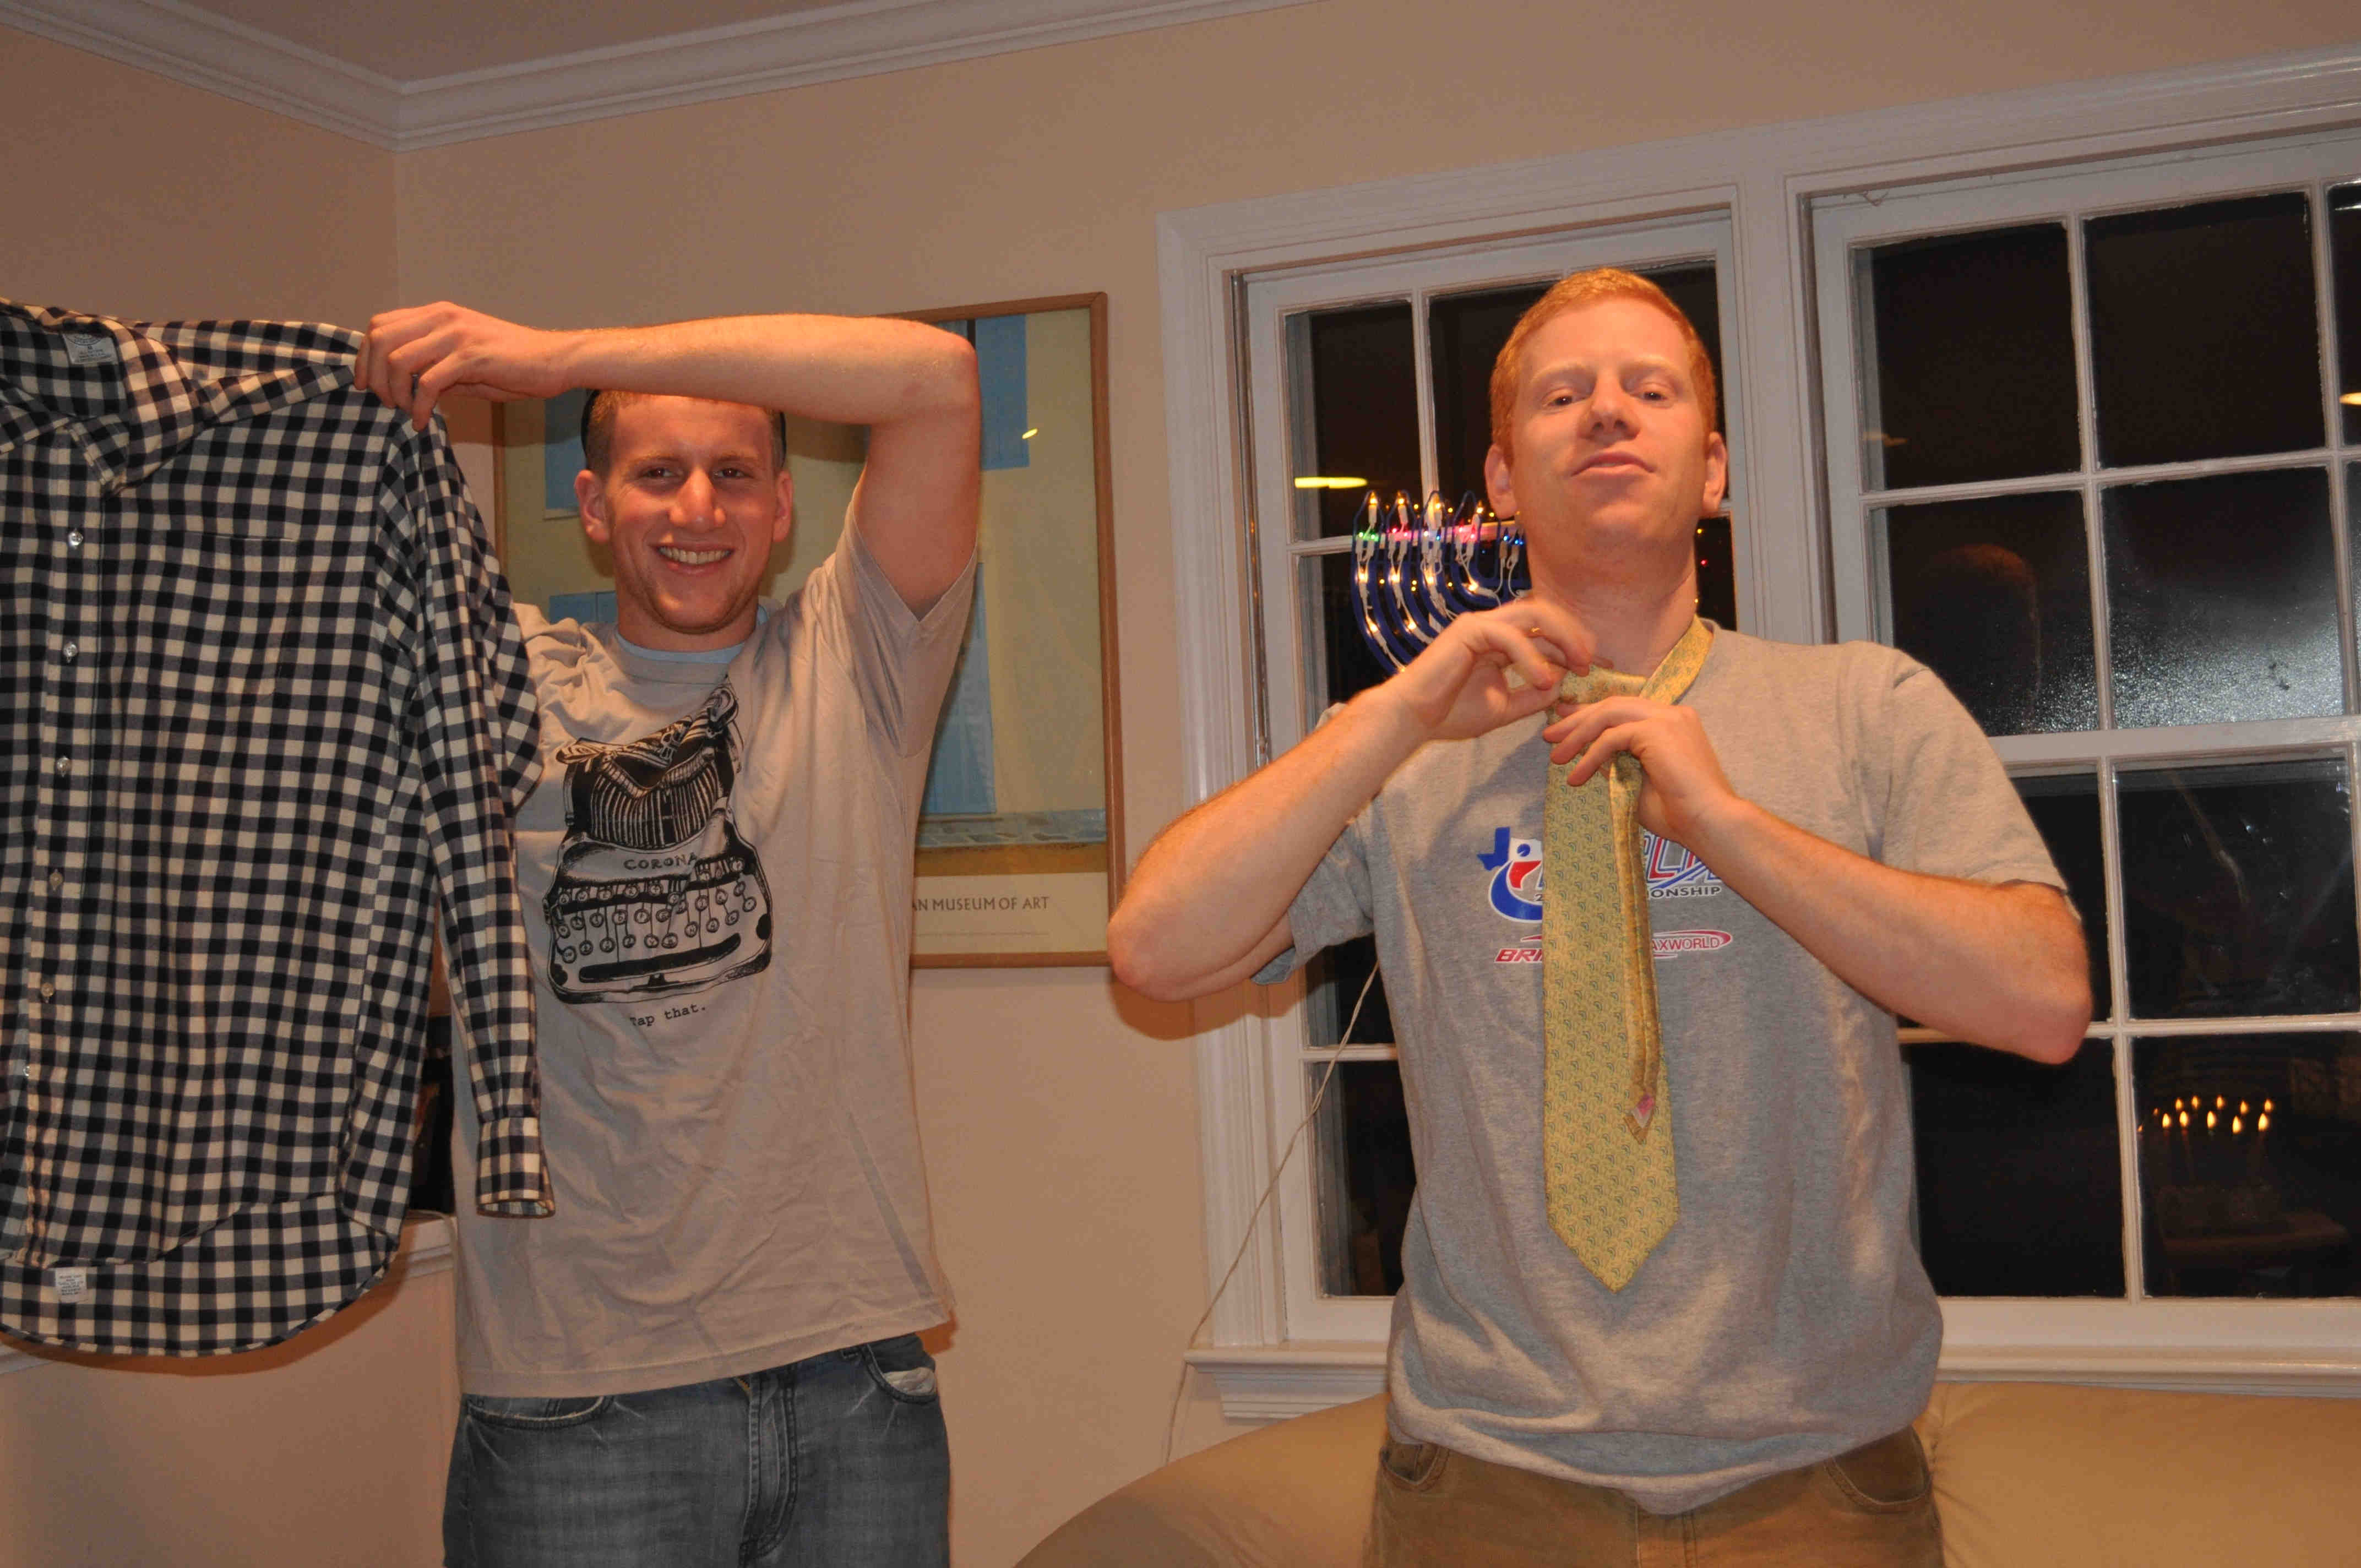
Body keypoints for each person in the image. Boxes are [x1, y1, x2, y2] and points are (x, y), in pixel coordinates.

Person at [1107, 269, 2090, 1565]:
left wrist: (1724, 825)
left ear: (1712, 467)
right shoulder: (1413, 750)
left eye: (1649, 389)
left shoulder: (1864, 708)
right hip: (1484, 1482)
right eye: (1562, 395)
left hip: (1813, 1480)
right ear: (1502, 478)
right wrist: (1392, 712)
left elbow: (2041, 1000)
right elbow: (1155, 948)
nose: (1607, 413)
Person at [357, 302, 981, 1568]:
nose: (698, 507)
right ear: (593, 505)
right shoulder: (500, 684)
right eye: (657, 473)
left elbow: (935, 377)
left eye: (734, 474)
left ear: (782, 507)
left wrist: (563, 360)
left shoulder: (854, 660)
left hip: (852, 1373)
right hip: (575, 1395)